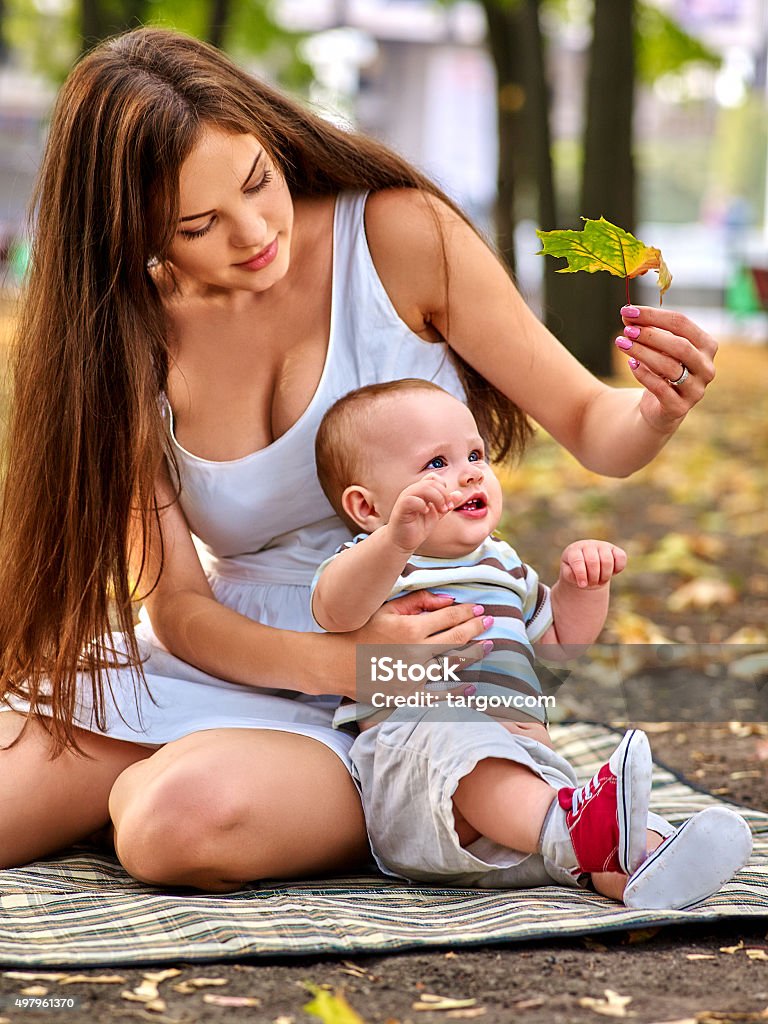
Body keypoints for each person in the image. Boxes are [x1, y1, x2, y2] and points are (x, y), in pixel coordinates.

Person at [0, 26, 722, 894]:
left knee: (170, 825)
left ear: (271, 136)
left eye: (258, 180)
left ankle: (442, 803)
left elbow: (594, 426)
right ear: (130, 233)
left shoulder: (396, 235)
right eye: (198, 225)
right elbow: (181, 610)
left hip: (412, 694)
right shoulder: (126, 331)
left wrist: (653, 405)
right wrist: (345, 660)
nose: (255, 230)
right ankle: (187, 780)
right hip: (238, 656)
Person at [310, 380, 752, 908]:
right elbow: (336, 611)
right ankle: (582, 831)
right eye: (436, 464)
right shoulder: (375, 564)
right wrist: (395, 539)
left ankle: (646, 866)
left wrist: (582, 590)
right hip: (422, 776)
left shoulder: (503, 566)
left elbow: (559, 646)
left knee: (599, 831)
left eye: (475, 454)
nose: (470, 472)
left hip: (525, 780)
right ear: (365, 507)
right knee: (468, 743)